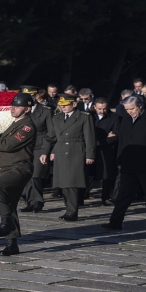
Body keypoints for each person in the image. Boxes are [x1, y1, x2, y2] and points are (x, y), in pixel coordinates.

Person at [0, 93, 36, 256]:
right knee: (8, 204)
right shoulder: (12, 123)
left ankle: (7, 222)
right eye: (12, 106)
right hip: (4, 168)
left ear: (27, 109)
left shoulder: (27, 127)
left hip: (19, 168)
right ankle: (12, 244)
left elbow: (7, 145)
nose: (13, 109)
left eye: (17, 107)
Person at [102, 96, 146, 230]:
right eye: (127, 109)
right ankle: (115, 221)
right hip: (129, 163)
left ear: (140, 106)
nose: (129, 111)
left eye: (132, 109)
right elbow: (123, 141)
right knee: (123, 194)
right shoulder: (125, 118)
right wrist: (120, 159)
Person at [42, 93, 95, 221]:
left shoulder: (83, 117)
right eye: (62, 105)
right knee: (63, 184)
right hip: (60, 151)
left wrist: (90, 154)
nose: (64, 107)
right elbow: (51, 137)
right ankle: (69, 210)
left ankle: (72, 212)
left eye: (66, 105)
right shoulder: (57, 118)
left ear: (74, 104)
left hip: (75, 152)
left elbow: (90, 137)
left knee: (72, 184)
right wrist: (45, 152)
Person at [19, 86, 54, 213]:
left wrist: (46, 151)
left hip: (40, 146)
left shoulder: (45, 111)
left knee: (36, 176)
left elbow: (50, 133)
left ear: (36, 96)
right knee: (27, 176)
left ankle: (38, 201)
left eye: (31, 96)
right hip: (25, 146)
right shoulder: (21, 110)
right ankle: (30, 202)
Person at [91, 97, 121, 206]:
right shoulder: (89, 116)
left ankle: (106, 197)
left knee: (106, 175)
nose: (102, 111)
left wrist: (99, 141)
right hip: (90, 149)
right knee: (88, 174)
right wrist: (105, 136)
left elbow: (116, 135)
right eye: (99, 109)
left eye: (104, 108)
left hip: (107, 150)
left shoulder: (114, 117)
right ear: (94, 107)